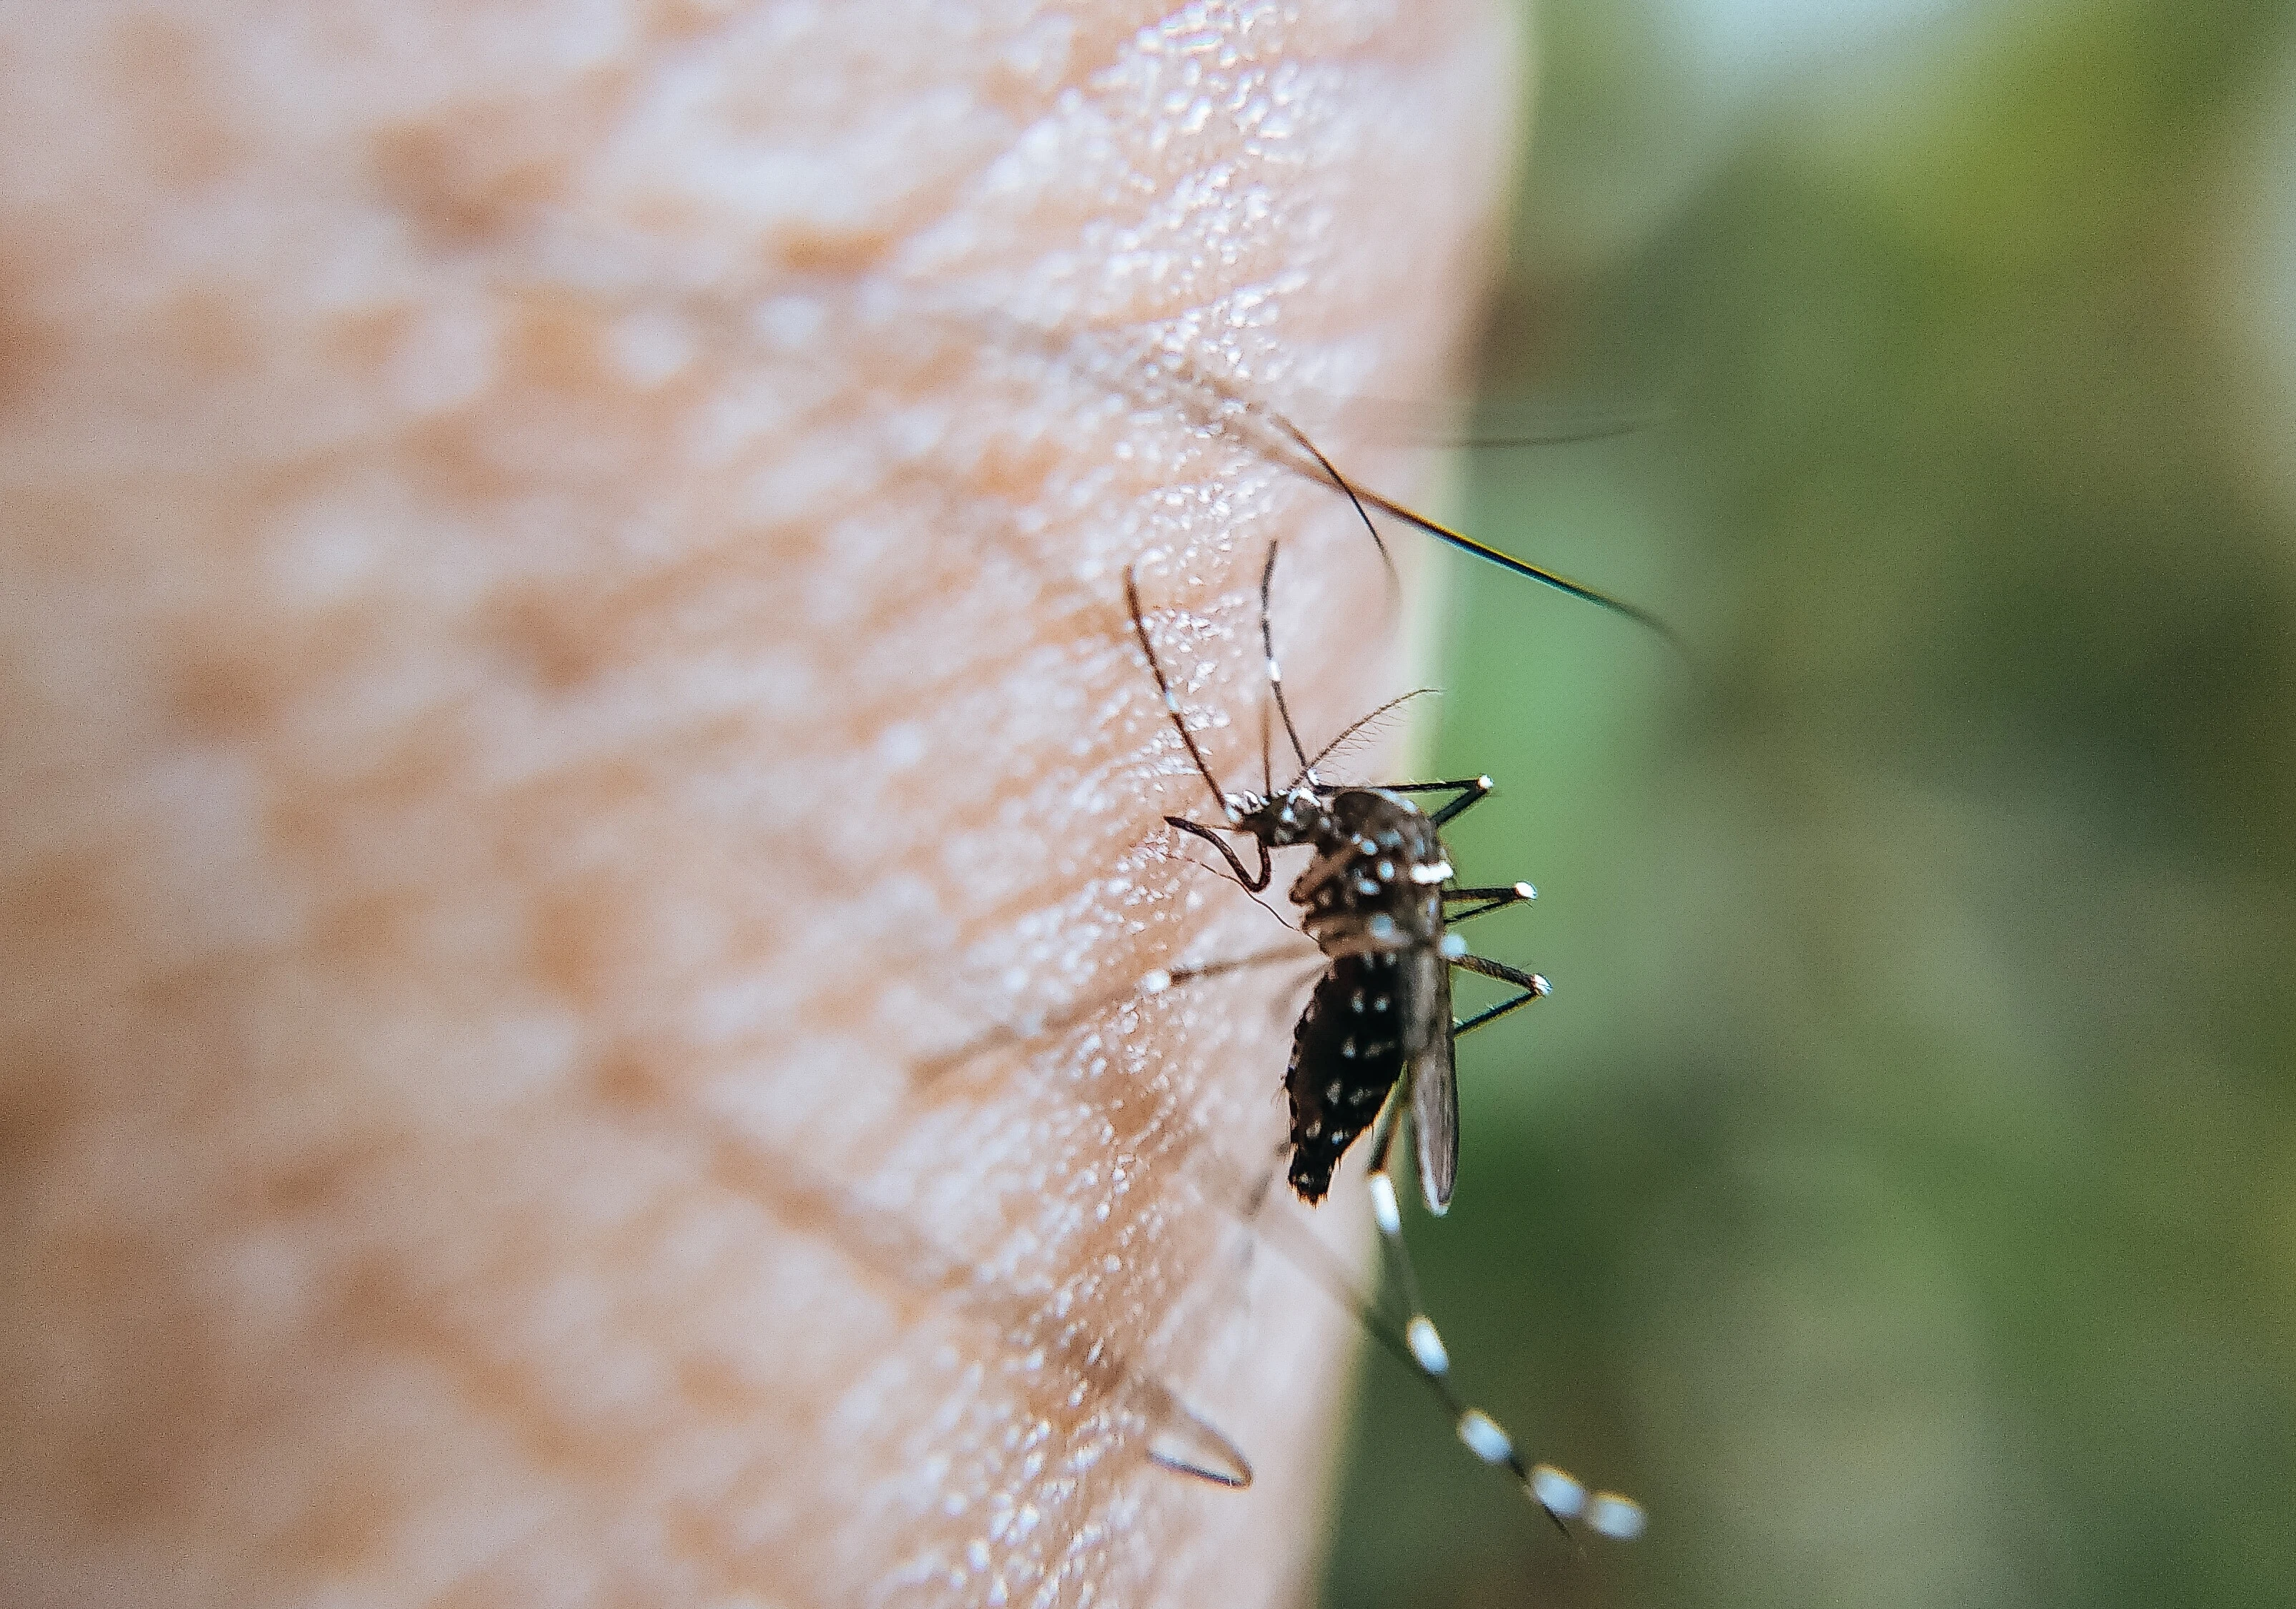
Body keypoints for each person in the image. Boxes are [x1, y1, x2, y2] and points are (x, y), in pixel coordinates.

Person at [0, 3, 1518, 1602]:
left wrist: (1199, 958)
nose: (1286, 827)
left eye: (1307, 835)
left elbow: (1338, 900)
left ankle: (1327, 1216)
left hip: (1361, 1000)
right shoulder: (1367, 846)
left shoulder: (1366, 904)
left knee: (1314, 975)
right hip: (1369, 965)